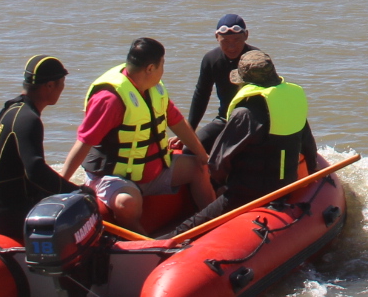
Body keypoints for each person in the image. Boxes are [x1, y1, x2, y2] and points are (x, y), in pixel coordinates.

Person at [62, 37, 214, 230]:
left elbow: (176, 121)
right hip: (115, 176)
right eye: (162, 65)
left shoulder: (154, 88)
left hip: (154, 169)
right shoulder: (110, 99)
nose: (163, 70)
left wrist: (201, 154)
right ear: (150, 68)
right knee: (127, 203)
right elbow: (84, 142)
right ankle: (147, 248)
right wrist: (61, 184)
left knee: (197, 167)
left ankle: (212, 223)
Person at [0, 55, 80, 240]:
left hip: (2, 210)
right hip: (14, 217)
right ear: (49, 85)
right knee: (82, 210)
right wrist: (76, 192)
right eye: (62, 83)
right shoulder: (28, 120)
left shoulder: (12, 110)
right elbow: (35, 171)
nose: (63, 89)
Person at [206, 50, 322, 207]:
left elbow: (217, 163)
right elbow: (308, 145)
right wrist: (314, 172)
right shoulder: (290, 104)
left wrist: (221, 186)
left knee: (186, 228)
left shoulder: (245, 114)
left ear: (244, 83)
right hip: (285, 187)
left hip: (247, 194)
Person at [188, 13, 254, 153]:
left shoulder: (257, 60)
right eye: (225, 41)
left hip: (253, 124)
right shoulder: (211, 59)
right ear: (216, 37)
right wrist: (189, 131)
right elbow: (201, 95)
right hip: (224, 119)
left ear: (246, 35)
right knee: (189, 149)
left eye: (237, 40)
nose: (231, 47)